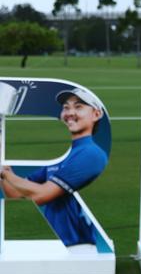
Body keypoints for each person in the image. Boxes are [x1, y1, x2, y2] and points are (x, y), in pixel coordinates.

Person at [0, 88, 108, 248]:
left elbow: (41, 195)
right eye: (66, 107)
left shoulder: (90, 154)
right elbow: (15, 194)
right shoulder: (62, 156)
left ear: (96, 114)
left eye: (78, 107)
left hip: (80, 249)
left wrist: (5, 174)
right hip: (62, 247)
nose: (70, 112)